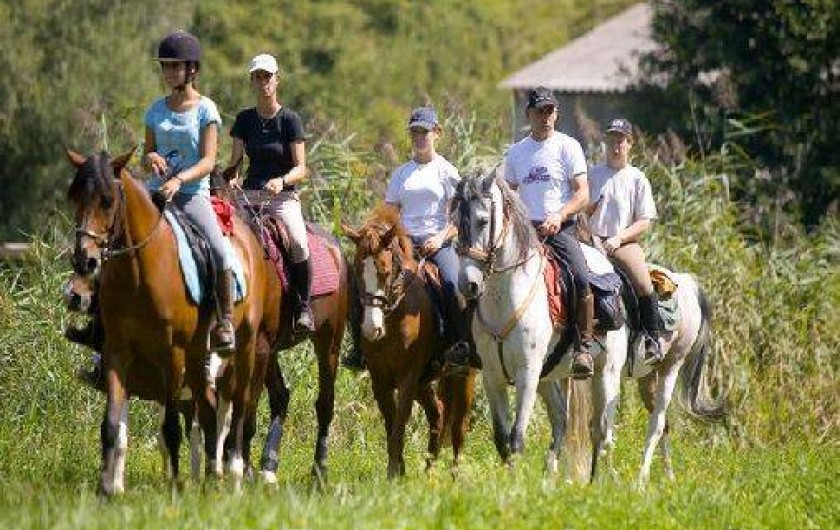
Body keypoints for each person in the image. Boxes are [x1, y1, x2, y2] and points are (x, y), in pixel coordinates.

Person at [74, 30, 231, 387]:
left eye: (175, 67)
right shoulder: (155, 110)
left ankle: (222, 325)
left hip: (192, 195)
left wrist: (181, 179)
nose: (169, 73)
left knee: (220, 252)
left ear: (192, 69)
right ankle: (98, 329)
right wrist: (153, 158)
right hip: (154, 194)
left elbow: (209, 160)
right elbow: (147, 157)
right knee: (111, 245)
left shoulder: (207, 110)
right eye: (166, 67)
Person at [348, 106, 475, 370]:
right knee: (363, 279)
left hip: (437, 244)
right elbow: (389, 215)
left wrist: (440, 238)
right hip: (404, 245)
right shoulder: (401, 174)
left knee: (452, 283)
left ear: (436, 133)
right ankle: (359, 347)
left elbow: (459, 219)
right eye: (414, 132)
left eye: (424, 132)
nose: (419, 138)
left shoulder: (448, 172)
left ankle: (460, 345)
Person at [503, 87, 594, 379]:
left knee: (581, 276)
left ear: (557, 113)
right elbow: (508, 195)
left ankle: (583, 348)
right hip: (525, 233)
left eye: (550, 111)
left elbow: (583, 194)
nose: (546, 117)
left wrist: (560, 215)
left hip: (561, 228)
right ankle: (484, 344)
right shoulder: (516, 152)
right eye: (540, 111)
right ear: (528, 114)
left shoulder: (568, 146)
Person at [223, 53, 314, 334]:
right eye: (258, 76)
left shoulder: (290, 120)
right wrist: (233, 179)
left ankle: (303, 307)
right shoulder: (244, 120)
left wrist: (282, 180)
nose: (263, 82)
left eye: (267, 76)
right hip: (248, 196)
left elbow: (301, 169)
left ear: (277, 80)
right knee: (224, 240)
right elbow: (234, 163)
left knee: (298, 242)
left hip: (281, 197)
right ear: (252, 80)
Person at [587, 118, 664, 364]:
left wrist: (619, 239)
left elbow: (644, 220)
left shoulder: (636, 178)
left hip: (623, 242)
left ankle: (651, 337)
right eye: (611, 139)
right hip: (591, 241)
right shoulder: (592, 174)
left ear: (630, 144)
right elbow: (580, 210)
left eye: (621, 140)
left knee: (642, 281)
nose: (616, 145)